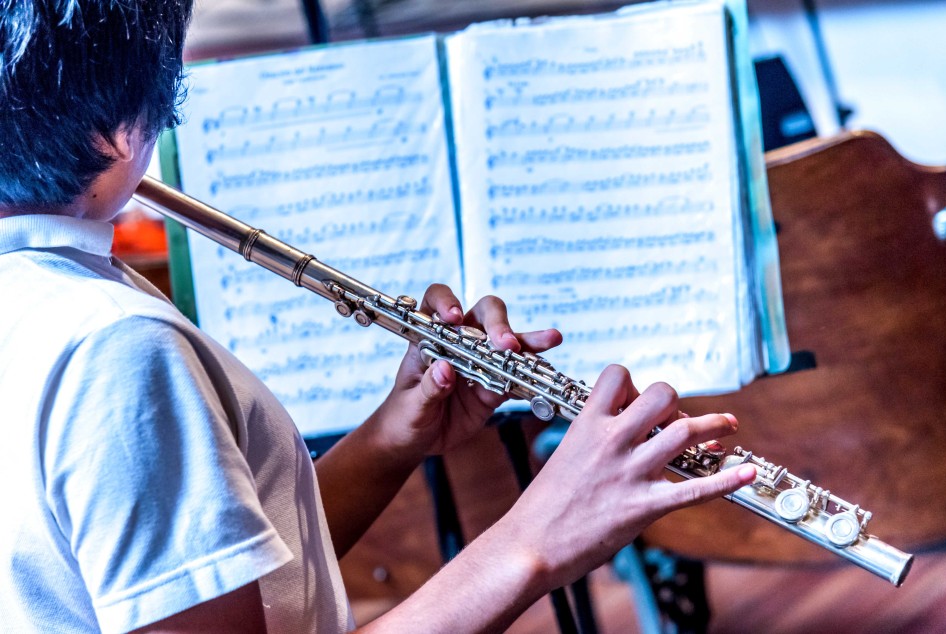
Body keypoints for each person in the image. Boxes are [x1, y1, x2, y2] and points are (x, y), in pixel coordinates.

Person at [0, 2, 757, 632]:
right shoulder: (112, 345)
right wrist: (536, 538)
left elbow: (213, 581)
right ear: (120, 113)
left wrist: (390, 441)